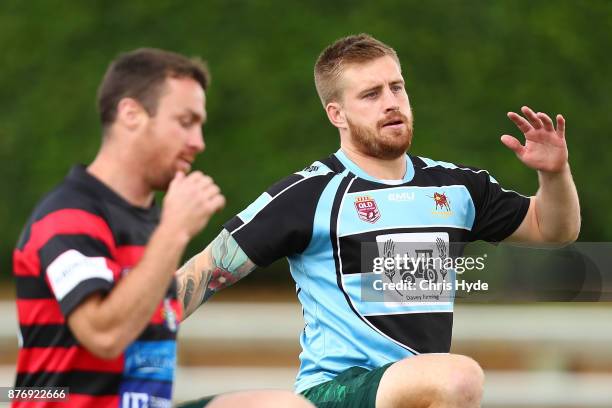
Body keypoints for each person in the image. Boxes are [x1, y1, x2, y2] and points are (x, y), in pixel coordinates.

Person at [175, 34, 580, 408]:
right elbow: (207, 270)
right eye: (370, 94)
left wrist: (554, 174)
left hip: (421, 391)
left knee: (448, 379)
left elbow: (553, 228)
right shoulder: (309, 194)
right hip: (335, 392)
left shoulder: (457, 188)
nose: (391, 102)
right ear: (337, 114)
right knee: (458, 376)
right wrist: (122, 343)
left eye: (396, 87)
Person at [13, 48, 311, 408]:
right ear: (131, 114)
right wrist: (173, 232)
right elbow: (103, 335)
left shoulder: (150, 221)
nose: (198, 142)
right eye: (185, 121)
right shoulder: (69, 215)